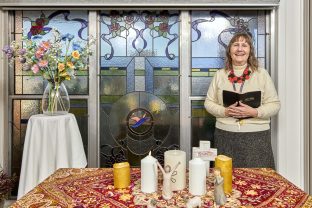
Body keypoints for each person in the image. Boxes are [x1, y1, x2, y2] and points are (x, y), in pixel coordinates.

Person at [204, 33, 280, 169]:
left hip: (257, 138)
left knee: (259, 183)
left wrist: (256, 112)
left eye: (244, 45)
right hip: (225, 136)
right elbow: (208, 103)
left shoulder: (262, 74)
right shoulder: (220, 75)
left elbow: (275, 105)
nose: (240, 49)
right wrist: (224, 111)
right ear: (229, 51)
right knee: (225, 182)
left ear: (250, 51)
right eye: (236, 45)